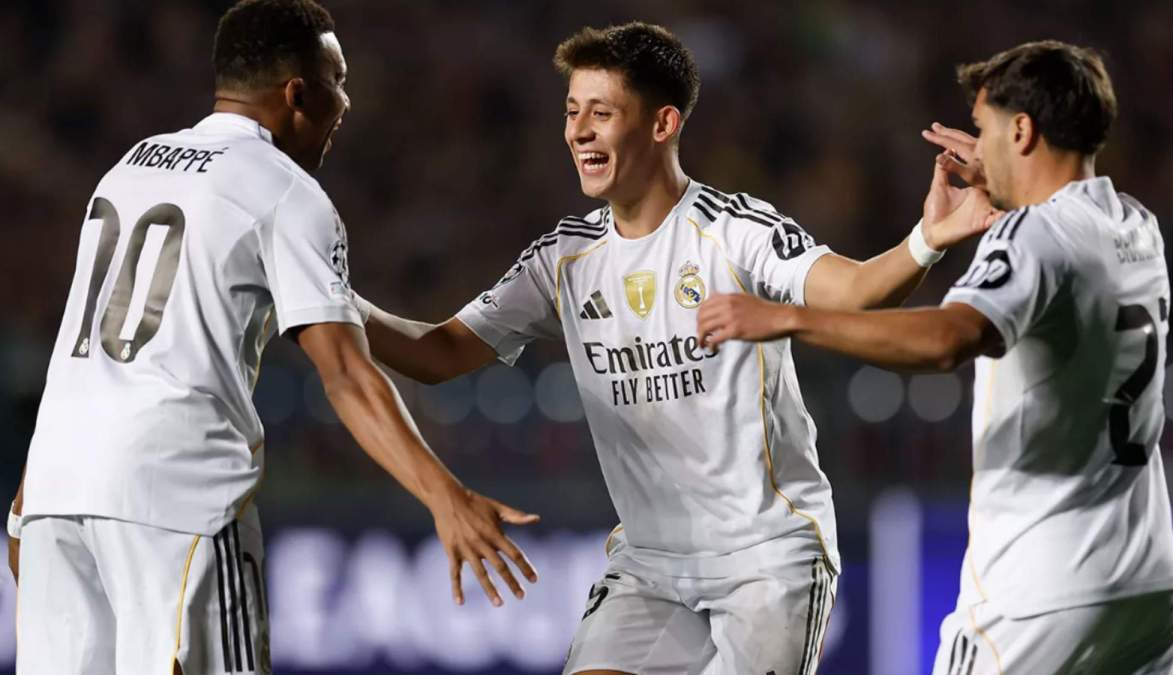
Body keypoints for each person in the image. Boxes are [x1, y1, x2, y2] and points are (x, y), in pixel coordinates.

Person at [354, 22, 993, 674]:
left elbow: (854, 290)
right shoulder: (562, 258)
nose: (578, 131)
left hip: (766, 556)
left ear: (662, 124)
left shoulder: (734, 231)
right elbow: (434, 354)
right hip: (651, 567)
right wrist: (326, 300)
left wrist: (927, 239)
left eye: (601, 113)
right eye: (572, 112)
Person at [5, 1, 537, 673]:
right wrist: (445, 496)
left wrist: (31, 500)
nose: (345, 102)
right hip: (176, 498)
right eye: (338, 79)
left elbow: (87, 353)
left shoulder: (130, 168)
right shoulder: (285, 191)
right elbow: (344, 373)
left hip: (57, 493)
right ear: (298, 92)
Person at [698, 40, 1173, 673]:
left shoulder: (1032, 234)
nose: (974, 150)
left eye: (983, 131)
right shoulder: (1136, 225)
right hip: (1148, 591)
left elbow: (947, 340)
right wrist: (1005, 186)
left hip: (1039, 596)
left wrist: (789, 316)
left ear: (1023, 129)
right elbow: (1064, 260)